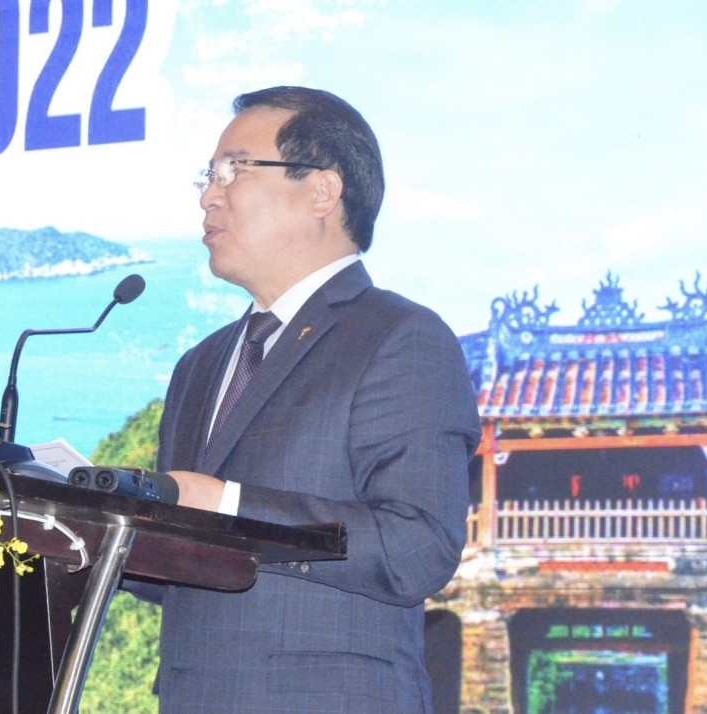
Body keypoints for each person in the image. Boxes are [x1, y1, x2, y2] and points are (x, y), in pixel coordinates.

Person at [151, 86, 481, 714]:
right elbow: (186, 567)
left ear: (323, 191)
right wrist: (89, 530)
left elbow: (418, 546)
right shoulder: (199, 366)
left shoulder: (400, 337)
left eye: (233, 170)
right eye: (207, 176)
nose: (208, 195)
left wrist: (228, 506)